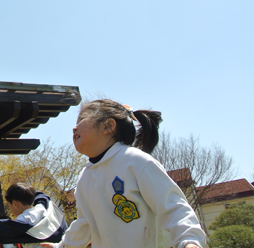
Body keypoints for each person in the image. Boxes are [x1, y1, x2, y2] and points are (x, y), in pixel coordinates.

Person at [40, 100, 206, 248]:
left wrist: (189, 240)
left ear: (108, 126)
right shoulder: (85, 176)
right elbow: (85, 223)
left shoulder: (135, 161)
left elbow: (173, 206)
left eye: (81, 120)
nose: (74, 127)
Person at [0, 182, 66, 247]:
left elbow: (6, 227)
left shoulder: (26, 220)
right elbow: (41, 195)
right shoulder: (43, 206)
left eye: (9, 205)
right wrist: (24, 189)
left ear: (15, 203)